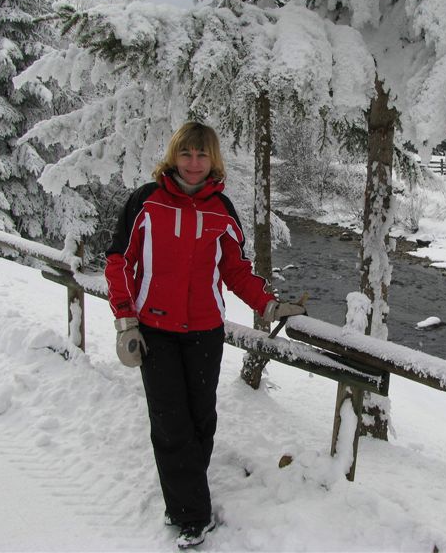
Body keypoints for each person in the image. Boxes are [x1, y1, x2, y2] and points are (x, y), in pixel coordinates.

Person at [104, 121, 306, 549]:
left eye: (202, 155)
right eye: (186, 154)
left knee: (201, 421)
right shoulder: (146, 202)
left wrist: (267, 304)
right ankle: (192, 516)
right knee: (170, 422)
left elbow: (235, 270)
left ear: (213, 160)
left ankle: (184, 495)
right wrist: (125, 320)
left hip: (204, 333)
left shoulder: (221, 209)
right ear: (173, 156)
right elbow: (119, 261)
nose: (193, 164)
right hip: (155, 331)